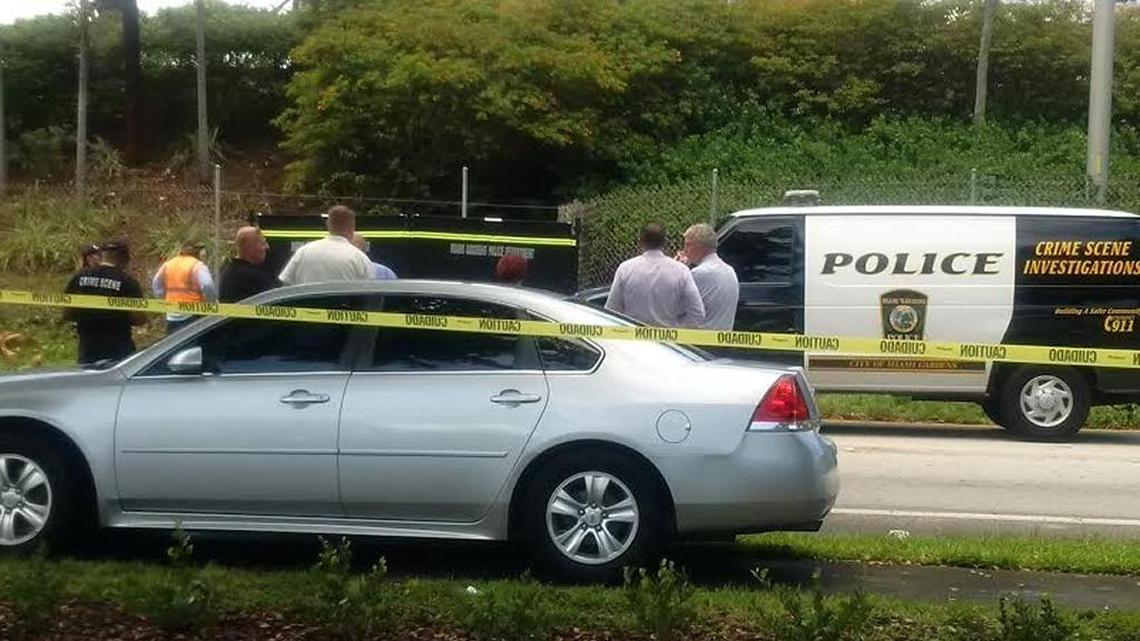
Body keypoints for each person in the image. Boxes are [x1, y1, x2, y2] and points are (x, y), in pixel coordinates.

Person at [605, 222, 705, 328]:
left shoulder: (625, 269)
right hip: (666, 340)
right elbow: (698, 313)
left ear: (641, 241)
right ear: (665, 242)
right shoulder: (681, 271)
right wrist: (678, 333)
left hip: (633, 338)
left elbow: (611, 310)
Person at [63, 240, 146, 366]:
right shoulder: (128, 282)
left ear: (102, 256)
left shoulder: (79, 277)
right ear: (125, 259)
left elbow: (67, 313)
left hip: (88, 348)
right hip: (119, 348)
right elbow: (138, 319)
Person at [278, 205, 372, 285]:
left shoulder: (303, 252)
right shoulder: (359, 258)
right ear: (352, 228)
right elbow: (369, 291)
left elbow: (286, 285)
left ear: (328, 225)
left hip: (306, 305)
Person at [677, 223, 740, 330]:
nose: (684, 250)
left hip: (696, 341)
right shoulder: (729, 270)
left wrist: (678, 270)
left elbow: (673, 307)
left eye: (688, 245)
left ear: (699, 247)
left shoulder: (700, 273)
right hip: (721, 338)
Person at [152, 241, 218, 334]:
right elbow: (207, 285)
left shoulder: (169, 264)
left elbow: (156, 285)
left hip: (172, 313)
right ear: (197, 252)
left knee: (174, 345)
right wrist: (211, 304)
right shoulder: (197, 265)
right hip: (193, 313)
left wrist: (165, 300)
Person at [219, 226, 279, 302]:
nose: (267, 247)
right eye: (263, 243)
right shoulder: (246, 276)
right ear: (249, 247)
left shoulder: (229, 269)